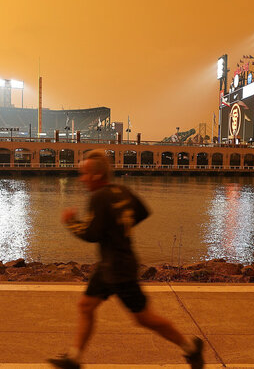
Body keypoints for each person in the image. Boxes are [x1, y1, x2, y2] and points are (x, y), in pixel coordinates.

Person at [48, 150, 204, 369]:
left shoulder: (99, 196)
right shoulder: (121, 190)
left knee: (144, 318)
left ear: (95, 176)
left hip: (118, 269)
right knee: (86, 306)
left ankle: (191, 348)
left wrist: (70, 222)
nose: (82, 179)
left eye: (84, 174)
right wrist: (122, 228)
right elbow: (142, 211)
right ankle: (74, 358)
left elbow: (91, 234)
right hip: (109, 266)